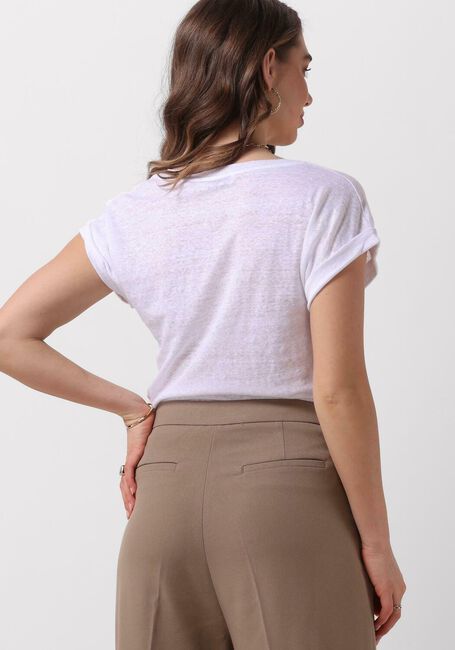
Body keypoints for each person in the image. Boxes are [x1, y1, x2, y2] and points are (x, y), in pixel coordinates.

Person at [0, 0, 406, 648]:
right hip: (286, 493)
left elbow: (10, 335)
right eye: (303, 69)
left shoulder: (135, 212)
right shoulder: (323, 198)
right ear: (267, 67)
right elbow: (337, 390)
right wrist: (377, 545)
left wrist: (133, 410)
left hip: (163, 496)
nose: (308, 94)